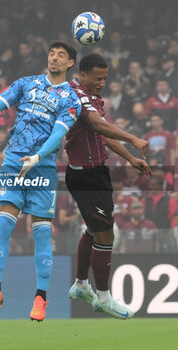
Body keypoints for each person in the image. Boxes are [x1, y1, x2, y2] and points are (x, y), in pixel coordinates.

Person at [0, 41, 81, 322]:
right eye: (52, 53)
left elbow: (58, 135)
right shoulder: (27, 83)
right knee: (4, 225)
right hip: (12, 164)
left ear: (71, 63)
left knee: (42, 233)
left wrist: (38, 156)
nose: (54, 58)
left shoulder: (71, 99)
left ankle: (40, 298)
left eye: (61, 55)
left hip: (42, 169)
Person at [64, 54, 152, 319]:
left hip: (96, 173)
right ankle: (103, 297)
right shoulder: (75, 93)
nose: (102, 82)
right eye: (98, 77)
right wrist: (133, 138)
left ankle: (80, 285)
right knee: (106, 236)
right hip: (86, 177)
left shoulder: (91, 95)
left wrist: (129, 157)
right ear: (83, 73)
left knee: (94, 229)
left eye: (105, 77)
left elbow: (101, 133)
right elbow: (95, 123)